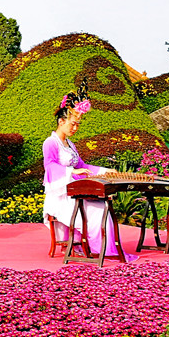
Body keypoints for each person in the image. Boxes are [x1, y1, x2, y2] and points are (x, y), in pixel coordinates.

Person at [42, 81, 133, 259]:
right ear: (61, 121)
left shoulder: (70, 145)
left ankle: (102, 248)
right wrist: (71, 172)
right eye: (73, 124)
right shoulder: (50, 143)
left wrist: (105, 171)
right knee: (96, 210)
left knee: (102, 206)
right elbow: (50, 166)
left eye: (78, 125)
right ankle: (97, 248)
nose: (75, 128)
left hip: (74, 193)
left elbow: (83, 166)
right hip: (61, 196)